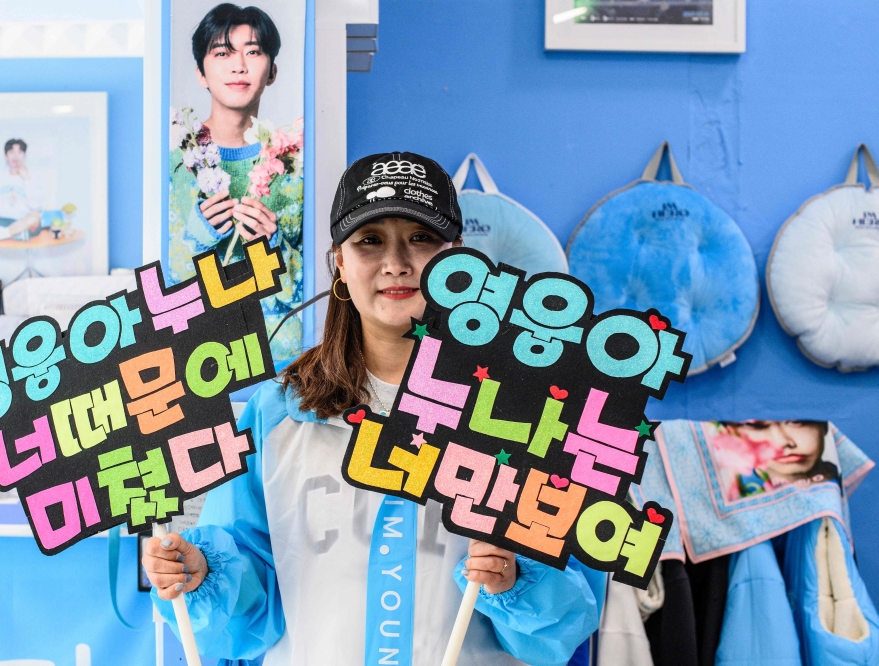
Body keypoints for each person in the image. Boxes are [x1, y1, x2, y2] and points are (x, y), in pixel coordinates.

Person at [144, 152, 601, 665]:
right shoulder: (277, 414)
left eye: (422, 238)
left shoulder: (524, 418)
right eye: (370, 240)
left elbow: (566, 623)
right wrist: (202, 573)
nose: (397, 262)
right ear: (339, 261)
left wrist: (515, 581)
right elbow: (249, 600)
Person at [168, 3, 303, 361]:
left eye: (253, 52)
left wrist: (274, 247)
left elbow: (316, 283)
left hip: (282, 362)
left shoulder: (295, 165)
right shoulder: (173, 166)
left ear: (272, 71)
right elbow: (163, 286)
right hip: (199, 363)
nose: (238, 65)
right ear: (200, 71)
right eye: (222, 52)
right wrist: (196, 238)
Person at [711, 420, 839, 500]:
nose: (782, 442)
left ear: (824, 424)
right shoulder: (732, 491)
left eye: (796, 421)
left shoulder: (837, 478)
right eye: (756, 426)